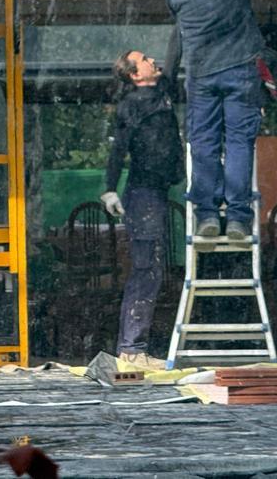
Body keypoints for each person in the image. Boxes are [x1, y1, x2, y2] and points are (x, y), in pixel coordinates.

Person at [162, 0, 273, 241]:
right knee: (239, 142)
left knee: (205, 144)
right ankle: (239, 218)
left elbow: (179, 20)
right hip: (240, 66)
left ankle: (207, 215)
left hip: (202, 72)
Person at [102, 49, 184, 371]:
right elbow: (118, 148)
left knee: (150, 270)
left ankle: (133, 348)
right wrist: (109, 188)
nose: (153, 60)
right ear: (135, 75)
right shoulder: (132, 104)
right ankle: (132, 349)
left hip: (155, 193)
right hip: (144, 195)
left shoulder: (162, 92)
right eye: (145, 59)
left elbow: (173, 58)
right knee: (146, 270)